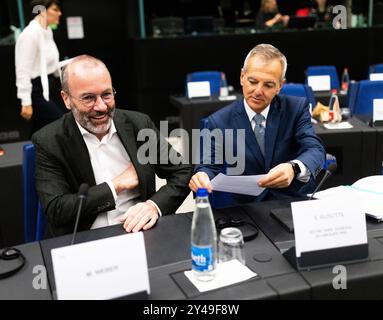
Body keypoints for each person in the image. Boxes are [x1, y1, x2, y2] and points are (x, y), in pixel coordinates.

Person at [32, 55, 193, 237]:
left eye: (106, 95)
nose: (101, 107)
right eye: (88, 98)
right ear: (66, 99)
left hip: (140, 233)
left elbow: (182, 171)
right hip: (83, 239)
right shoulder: (49, 140)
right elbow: (57, 210)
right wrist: (116, 185)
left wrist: (153, 206)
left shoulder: (139, 125)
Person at [189, 44, 325, 204]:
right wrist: (202, 176)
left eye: (268, 85)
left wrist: (293, 168)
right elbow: (208, 166)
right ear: (242, 77)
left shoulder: (296, 108)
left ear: (280, 85)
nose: (258, 91)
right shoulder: (218, 121)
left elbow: (315, 149)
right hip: (245, 209)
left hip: (290, 202)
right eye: (252, 81)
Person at [15, 0, 66, 134]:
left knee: (40, 131)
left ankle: (36, 154)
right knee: (61, 124)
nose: (59, 13)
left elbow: (52, 64)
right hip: (36, 90)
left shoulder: (47, 30)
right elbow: (22, 69)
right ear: (42, 11)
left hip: (49, 87)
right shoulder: (30, 34)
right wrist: (25, 101)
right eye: (55, 9)